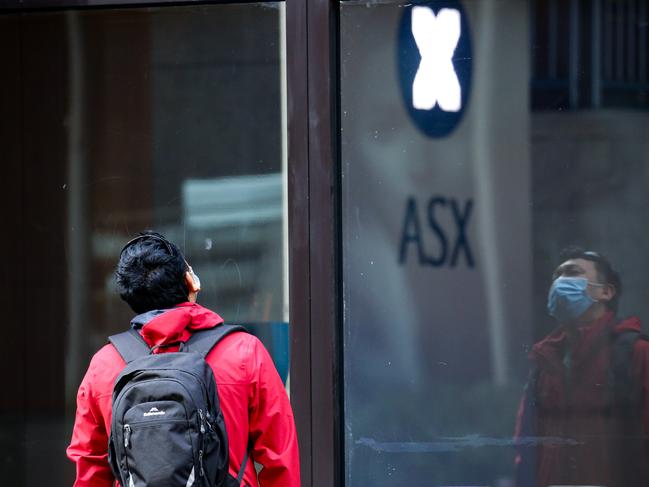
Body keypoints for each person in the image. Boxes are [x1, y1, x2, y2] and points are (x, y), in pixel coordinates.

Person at [67, 231, 300, 487]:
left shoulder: (105, 365)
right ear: (190, 281)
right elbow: (280, 460)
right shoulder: (244, 352)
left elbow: (89, 470)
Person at [514, 247, 649, 487]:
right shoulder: (544, 364)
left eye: (572, 273)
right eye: (558, 276)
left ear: (606, 292)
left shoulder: (637, 354)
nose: (560, 282)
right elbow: (525, 451)